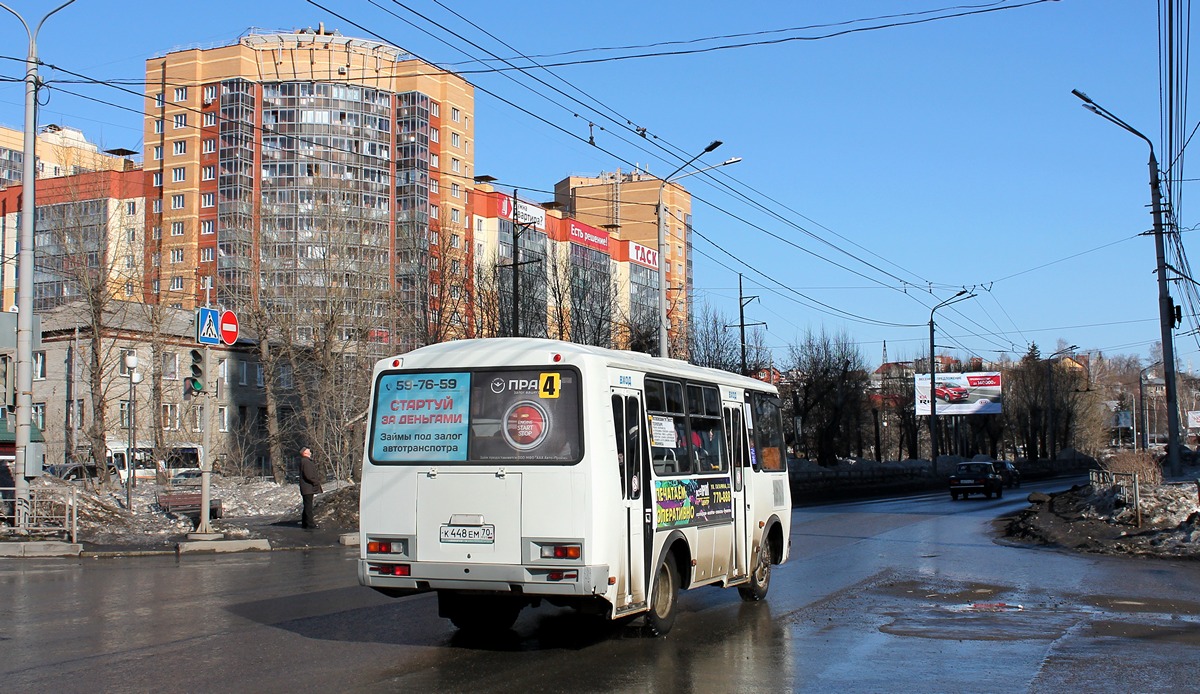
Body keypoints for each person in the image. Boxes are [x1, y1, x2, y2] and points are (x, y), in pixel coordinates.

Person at [298, 447, 322, 529]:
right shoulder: (306, 462)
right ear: (304, 452)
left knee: (307, 505)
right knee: (308, 506)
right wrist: (315, 482)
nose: (310, 452)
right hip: (308, 487)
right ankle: (310, 524)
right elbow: (308, 475)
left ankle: (305, 522)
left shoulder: (304, 461)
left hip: (306, 487)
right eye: (309, 451)